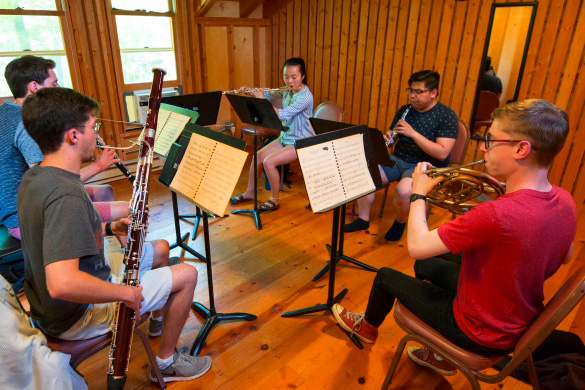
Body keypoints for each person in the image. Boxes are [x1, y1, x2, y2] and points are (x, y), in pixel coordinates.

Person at [332, 99, 576, 377]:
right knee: (428, 267)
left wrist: (419, 193)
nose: (483, 147)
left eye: (491, 140)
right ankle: (439, 349)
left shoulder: (496, 214)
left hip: (478, 331)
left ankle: (368, 329)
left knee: (386, 276)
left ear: (521, 149)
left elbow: (416, 246)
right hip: (516, 314)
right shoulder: (565, 201)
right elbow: (565, 255)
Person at [18, 88, 212, 383]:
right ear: (73, 136)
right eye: (92, 127)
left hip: (50, 306)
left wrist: (110, 228)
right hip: (75, 315)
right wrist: (126, 293)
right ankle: (168, 362)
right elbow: (62, 283)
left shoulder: (35, 177)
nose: (96, 135)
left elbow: (54, 237)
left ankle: (158, 320)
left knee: (159, 249)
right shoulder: (65, 195)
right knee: (187, 274)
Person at [0, 55, 124, 240]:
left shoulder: (7, 111)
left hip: (27, 203)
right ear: (34, 87)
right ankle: (130, 262)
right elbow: (51, 184)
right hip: (26, 216)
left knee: (106, 191)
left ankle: (120, 252)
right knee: (128, 209)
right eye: (55, 83)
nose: (58, 89)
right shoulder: (25, 124)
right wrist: (98, 165)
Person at [344, 70, 458, 241]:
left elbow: (442, 153)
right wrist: (388, 138)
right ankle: (363, 218)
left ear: (433, 93)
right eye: (411, 91)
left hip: (426, 165)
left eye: (418, 92)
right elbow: (393, 134)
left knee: (404, 191)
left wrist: (413, 134)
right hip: (398, 158)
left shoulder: (446, 116)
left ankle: (400, 222)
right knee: (364, 171)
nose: (413, 96)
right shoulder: (406, 110)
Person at [229, 57, 313, 212]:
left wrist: (262, 101)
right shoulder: (286, 91)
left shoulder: (305, 97)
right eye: (286, 77)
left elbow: (284, 114)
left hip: (300, 142)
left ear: (302, 76)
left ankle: (274, 199)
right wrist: (250, 92)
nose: (290, 81)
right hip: (286, 137)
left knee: (268, 162)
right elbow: (267, 96)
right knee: (257, 157)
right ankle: (250, 193)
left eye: (294, 77)